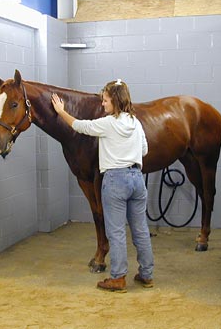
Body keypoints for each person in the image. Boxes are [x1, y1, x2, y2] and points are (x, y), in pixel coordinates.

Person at [51, 79, 154, 293]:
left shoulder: (108, 123)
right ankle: (146, 274)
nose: (103, 104)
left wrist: (61, 111)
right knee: (141, 230)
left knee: (116, 231)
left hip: (115, 180)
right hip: (137, 179)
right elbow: (144, 150)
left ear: (115, 101)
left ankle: (118, 278)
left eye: (106, 100)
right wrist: (128, 152)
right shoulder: (136, 122)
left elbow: (80, 126)